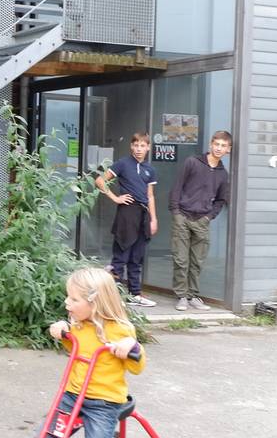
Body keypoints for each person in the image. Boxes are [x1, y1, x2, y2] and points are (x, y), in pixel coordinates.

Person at [0, 267, 146, 438]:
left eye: (74, 299)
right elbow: (73, 343)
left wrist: (131, 347)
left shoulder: (120, 330)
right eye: (68, 298)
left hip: (103, 404)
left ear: (95, 303)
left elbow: (137, 366)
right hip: (72, 396)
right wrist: (62, 330)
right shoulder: (80, 325)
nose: (67, 302)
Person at [168, 131, 232, 311]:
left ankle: (193, 296)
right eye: (217, 144)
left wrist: (209, 216)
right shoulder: (192, 162)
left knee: (197, 261)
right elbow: (177, 186)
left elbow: (221, 199)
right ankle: (181, 296)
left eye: (223, 146)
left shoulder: (223, 174)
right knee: (181, 259)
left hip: (202, 220)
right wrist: (176, 212)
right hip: (183, 216)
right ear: (211, 144)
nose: (219, 148)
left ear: (228, 149)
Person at [95, 133, 158, 308]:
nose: (139, 149)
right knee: (121, 254)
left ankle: (135, 294)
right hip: (127, 212)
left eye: (142, 146)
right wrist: (115, 198)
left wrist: (154, 219)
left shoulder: (150, 170)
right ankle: (113, 297)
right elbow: (99, 180)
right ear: (131, 146)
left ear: (148, 147)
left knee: (137, 256)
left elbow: (150, 196)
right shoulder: (123, 163)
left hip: (144, 214)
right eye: (136, 145)